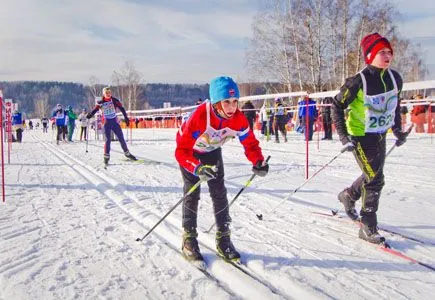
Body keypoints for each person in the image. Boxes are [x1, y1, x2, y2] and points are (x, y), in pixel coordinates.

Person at [175, 76, 269, 262]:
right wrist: (197, 168)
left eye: (235, 102)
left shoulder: (239, 119)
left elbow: (249, 143)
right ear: (216, 102)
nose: (232, 107)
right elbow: (181, 151)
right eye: (226, 102)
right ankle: (189, 238)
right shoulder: (201, 116)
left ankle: (224, 238)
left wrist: (258, 161)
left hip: (212, 151)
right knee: (192, 192)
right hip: (190, 153)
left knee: (219, 192)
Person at [331, 32, 409, 245]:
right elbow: (336, 105)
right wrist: (343, 136)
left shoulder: (395, 78)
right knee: (375, 178)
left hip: (380, 135)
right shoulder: (358, 81)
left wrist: (398, 130)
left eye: (389, 51)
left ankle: (349, 195)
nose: (387, 55)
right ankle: (368, 224)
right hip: (360, 136)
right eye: (381, 52)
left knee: (372, 174)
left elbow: (394, 106)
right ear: (369, 55)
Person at [87, 87, 137, 164]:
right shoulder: (101, 102)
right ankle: (106, 157)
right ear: (104, 93)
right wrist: (90, 114)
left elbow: (122, 108)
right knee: (108, 140)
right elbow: (95, 109)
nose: (108, 94)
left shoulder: (114, 100)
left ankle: (127, 154)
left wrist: (126, 118)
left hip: (114, 121)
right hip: (106, 122)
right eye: (106, 92)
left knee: (121, 138)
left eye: (109, 92)